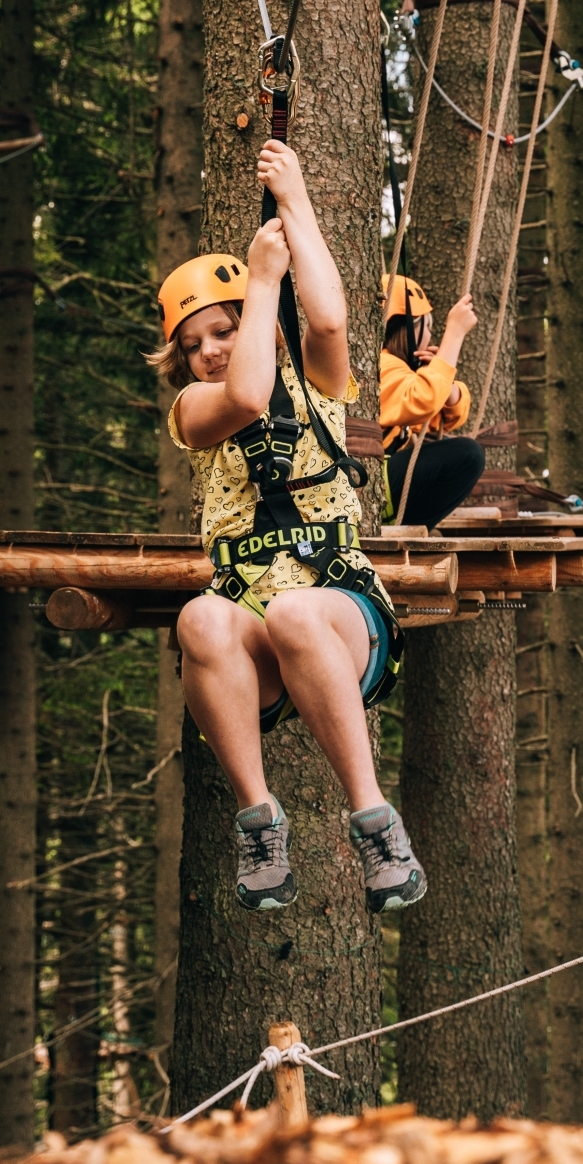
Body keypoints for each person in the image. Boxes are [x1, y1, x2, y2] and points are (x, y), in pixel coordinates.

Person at [147, 139, 425, 916]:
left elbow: (331, 318)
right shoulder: (195, 409)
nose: (206, 351)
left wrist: (294, 198)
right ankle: (259, 821)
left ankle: (374, 820)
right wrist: (259, 281)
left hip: (337, 611)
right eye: (191, 342)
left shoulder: (315, 381)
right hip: (252, 636)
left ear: (258, 324)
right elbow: (241, 398)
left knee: (297, 609)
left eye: (222, 331)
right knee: (200, 614)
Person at [377, 274, 487, 529]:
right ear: (409, 328)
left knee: (456, 448)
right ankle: (409, 526)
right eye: (426, 327)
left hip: (378, 479)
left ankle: (407, 526)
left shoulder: (397, 369)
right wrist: (454, 335)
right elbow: (423, 400)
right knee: (467, 455)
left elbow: (444, 419)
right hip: (372, 479)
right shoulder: (383, 363)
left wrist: (447, 388)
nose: (430, 335)